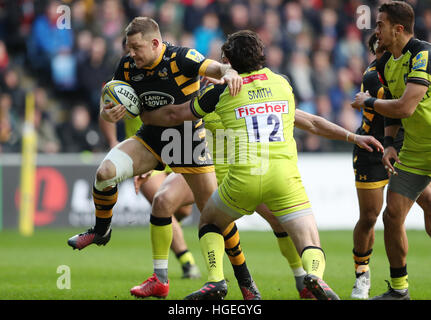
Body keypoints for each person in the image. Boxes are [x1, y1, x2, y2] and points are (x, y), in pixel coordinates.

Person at [144, 30, 382, 300]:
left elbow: (178, 116)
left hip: (239, 175)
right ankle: (311, 276)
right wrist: (353, 135)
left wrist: (142, 115)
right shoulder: (281, 84)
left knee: (209, 221)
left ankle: (216, 280)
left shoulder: (217, 91)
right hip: (276, 175)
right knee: (306, 237)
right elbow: (311, 121)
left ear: (227, 61)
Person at [67, 17, 256, 300]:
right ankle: (102, 231)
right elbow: (107, 104)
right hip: (151, 139)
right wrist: (108, 113)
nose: (131, 53)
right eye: (128, 47)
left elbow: (213, 67)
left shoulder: (181, 58)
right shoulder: (127, 65)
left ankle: (246, 282)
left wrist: (227, 71)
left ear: (155, 43)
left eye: (136, 47)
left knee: (216, 217)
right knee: (105, 172)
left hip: (187, 143)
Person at [352, 1, 431, 300]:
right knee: (392, 215)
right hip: (414, 150)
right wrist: (388, 143)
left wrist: (367, 102)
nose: (375, 30)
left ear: (398, 29)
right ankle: (399, 291)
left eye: (380, 24)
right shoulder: (385, 64)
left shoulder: (423, 54)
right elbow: (394, 114)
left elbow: (405, 106)